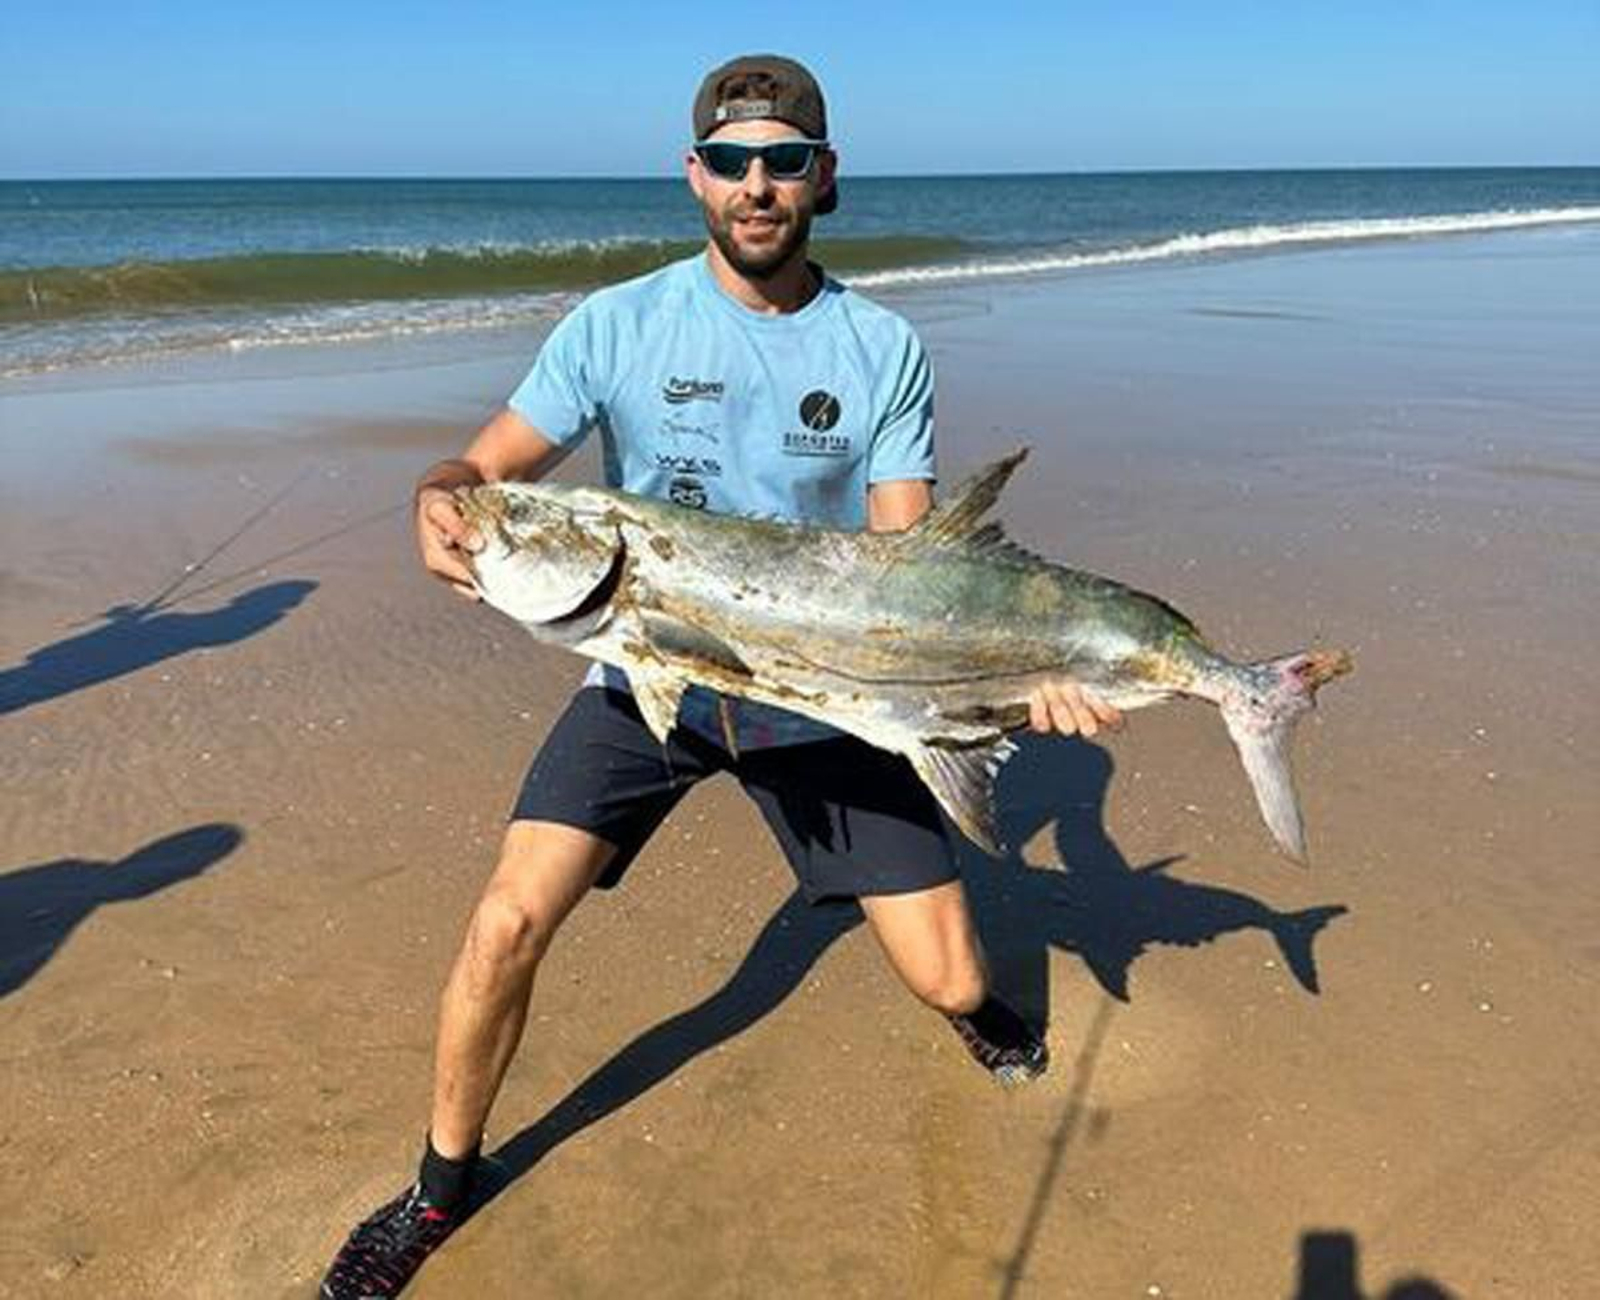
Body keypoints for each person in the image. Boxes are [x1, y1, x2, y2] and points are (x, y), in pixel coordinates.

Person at [320, 53, 1122, 1299]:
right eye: (734, 160)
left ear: (822, 178)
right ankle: (438, 1183)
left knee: (956, 979)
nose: (758, 185)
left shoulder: (879, 347)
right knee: (505, 921)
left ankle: (966, 993)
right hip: (645, 673)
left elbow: (905, 573)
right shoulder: (616, 324)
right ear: (693, 174)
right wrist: (434, 503)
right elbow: (480, 470)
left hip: (820, 693)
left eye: (784, 161)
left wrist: (1022, 685)